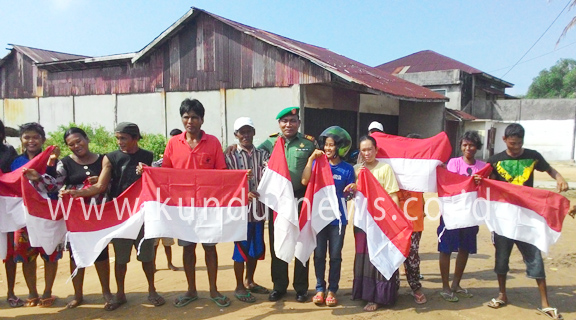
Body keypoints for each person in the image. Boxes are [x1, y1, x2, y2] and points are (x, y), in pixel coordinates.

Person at [62, 122, 164, 311]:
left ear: (135, 138)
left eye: (123, 138)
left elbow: (158, 181)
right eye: (117, 138)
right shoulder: (110, 158)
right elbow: (100, 186)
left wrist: (148, 173)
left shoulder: (148, 157)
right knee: (121, 258)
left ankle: (152, 290)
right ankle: (120, 294)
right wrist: (76, 194)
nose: (119, 142)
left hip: (143, 215)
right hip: (121, 216)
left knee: (147, 257)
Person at [23, 127, 113, 308]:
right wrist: (38, 177)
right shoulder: (64, 163)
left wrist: (101, 183)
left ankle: (107, 293)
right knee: (75, 255)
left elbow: (111, 182)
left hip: (98, 214)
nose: (76, 146)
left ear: (87, 139)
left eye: (78, 141)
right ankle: (78, 295)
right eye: (70, 144)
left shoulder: (104, 159)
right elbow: (53, 184)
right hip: (75, 217)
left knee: (101, 253)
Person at [486, 123, 568, 320]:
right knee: (501, 258)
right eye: (512, 143)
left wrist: (560, 178)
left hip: (527, 217)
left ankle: (545, 303)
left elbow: (550, 170)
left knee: (535, 256)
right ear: (504, 140)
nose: (516, 147)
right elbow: (486, 181)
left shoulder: (533, 156)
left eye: (519, 143)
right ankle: (502, 294)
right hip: (503, 218)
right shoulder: (495, 160)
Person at [161, 98, 230, 308]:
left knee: (210, 248)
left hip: (208, 206)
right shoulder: (173, 143)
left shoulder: (214, 143)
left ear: (202, 119)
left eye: (194, 117)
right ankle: (191, 290)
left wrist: (240, 179)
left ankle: (214, 290)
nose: (189, 121)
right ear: (182, 119)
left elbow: (223, 173)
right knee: (188, 248)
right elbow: (164, 172)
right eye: (186, 117)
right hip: (182, 208)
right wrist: (146, 172)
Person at [258, 106, 316, 303]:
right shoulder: (270, 142)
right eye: (284, 121)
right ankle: (279, 286)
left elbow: (318, 165)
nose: (288, 125)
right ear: (279, 124)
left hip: (301, 198)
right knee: (278, 241)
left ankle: (301, 288)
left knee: (302, 241)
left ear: (298, 123)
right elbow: (252, 154)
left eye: (292, 121)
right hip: (278, 200)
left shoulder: (308, 144)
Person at [301, 126, 355, 307]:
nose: (328, 148)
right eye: (326, 145)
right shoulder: (318, 164)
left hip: (338, 220)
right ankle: (319, 289)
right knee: (318, 255)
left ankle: (332, 289)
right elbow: (304, 180)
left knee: (335, 256)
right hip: (319, 218)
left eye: (332, 145)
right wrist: (310, 159)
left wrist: (351, 190)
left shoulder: (347, 169)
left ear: (340, 147)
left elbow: (351, 195)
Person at [11, 122, 62, 308]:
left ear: (43, 140)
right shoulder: (16, 162)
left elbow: (58, 185)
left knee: (50, 253)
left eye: (35, 137)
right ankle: (32, 293)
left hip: (48, 214)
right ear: (21, 140)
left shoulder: (53, 160)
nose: (31, 141)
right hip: (23, 216)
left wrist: (40, 177)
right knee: (26, 255)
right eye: (27, 137)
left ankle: (47, 292)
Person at [225, 117, 270, 303]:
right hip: (240, 212)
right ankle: (239, 286)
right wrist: (243, 192)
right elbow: (225, 183)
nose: (245, 135)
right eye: (241, 132)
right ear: (236, 135)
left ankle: (250, 281)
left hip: (259, 211)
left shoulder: (263, 155)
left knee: (255, 247)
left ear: (253, 132)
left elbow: (273, 172)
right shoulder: (229, 157)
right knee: (241, 250)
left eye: (248, 131)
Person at [352, 135, 400, 312]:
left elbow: (393, 194)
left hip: (381, 222)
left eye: (369, 149)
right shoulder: (356, 169)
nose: (366, 153)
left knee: (380, 256)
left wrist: (395, 218)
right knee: (364, 256)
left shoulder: (385, 169)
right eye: (363, 150)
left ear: (376, 150)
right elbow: (351, 192)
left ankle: (379, 296)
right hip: (362, 221)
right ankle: (364, 293)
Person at [438, 131, 485, 302]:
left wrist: (482, 181)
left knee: (465, 248)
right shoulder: (453, 163)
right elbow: (450, 183)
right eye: (465, 145)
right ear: (460, 146)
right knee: (446, 248)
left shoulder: (482, 167)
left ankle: (456, 284)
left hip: (471, 214)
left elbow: (487, 186)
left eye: (471, 145)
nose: (468, 148)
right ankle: (445, 286)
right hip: (452, 213)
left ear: (477, 147)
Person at [398, 132, 427, 305]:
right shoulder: (395, 165)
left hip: (415, 220)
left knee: (413, 256)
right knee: (395, 255)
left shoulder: (425, 168)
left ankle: (416, 287)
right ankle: (390, 288)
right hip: (395, 221)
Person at [152, 128, 182, 272]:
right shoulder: (161, 161)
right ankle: (153, 264)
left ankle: (169, 263)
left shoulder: (183, 160)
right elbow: (152, 171)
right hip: (160, 203)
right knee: (155, 240)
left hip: (172, 205)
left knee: (168, 241)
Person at [0, 120, 20, 308]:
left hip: (5, 208)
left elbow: (15, 176)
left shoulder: (9, 152)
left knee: (8, 253)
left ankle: (11, 292)